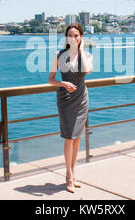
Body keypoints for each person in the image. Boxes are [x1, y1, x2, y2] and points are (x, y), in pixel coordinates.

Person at [48, 23, 93, 193]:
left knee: (77, 138)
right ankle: (68, 176)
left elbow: (87, 70)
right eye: (70, 35)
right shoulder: (58, 55)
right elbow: (50, 79)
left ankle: (74, 174)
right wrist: (62, 83)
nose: (73, 38)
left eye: (76, 35)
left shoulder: (87, 56)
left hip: (82, 99)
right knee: (69, 138)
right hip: (66, 99)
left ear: (81, 37)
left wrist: (80, 50)